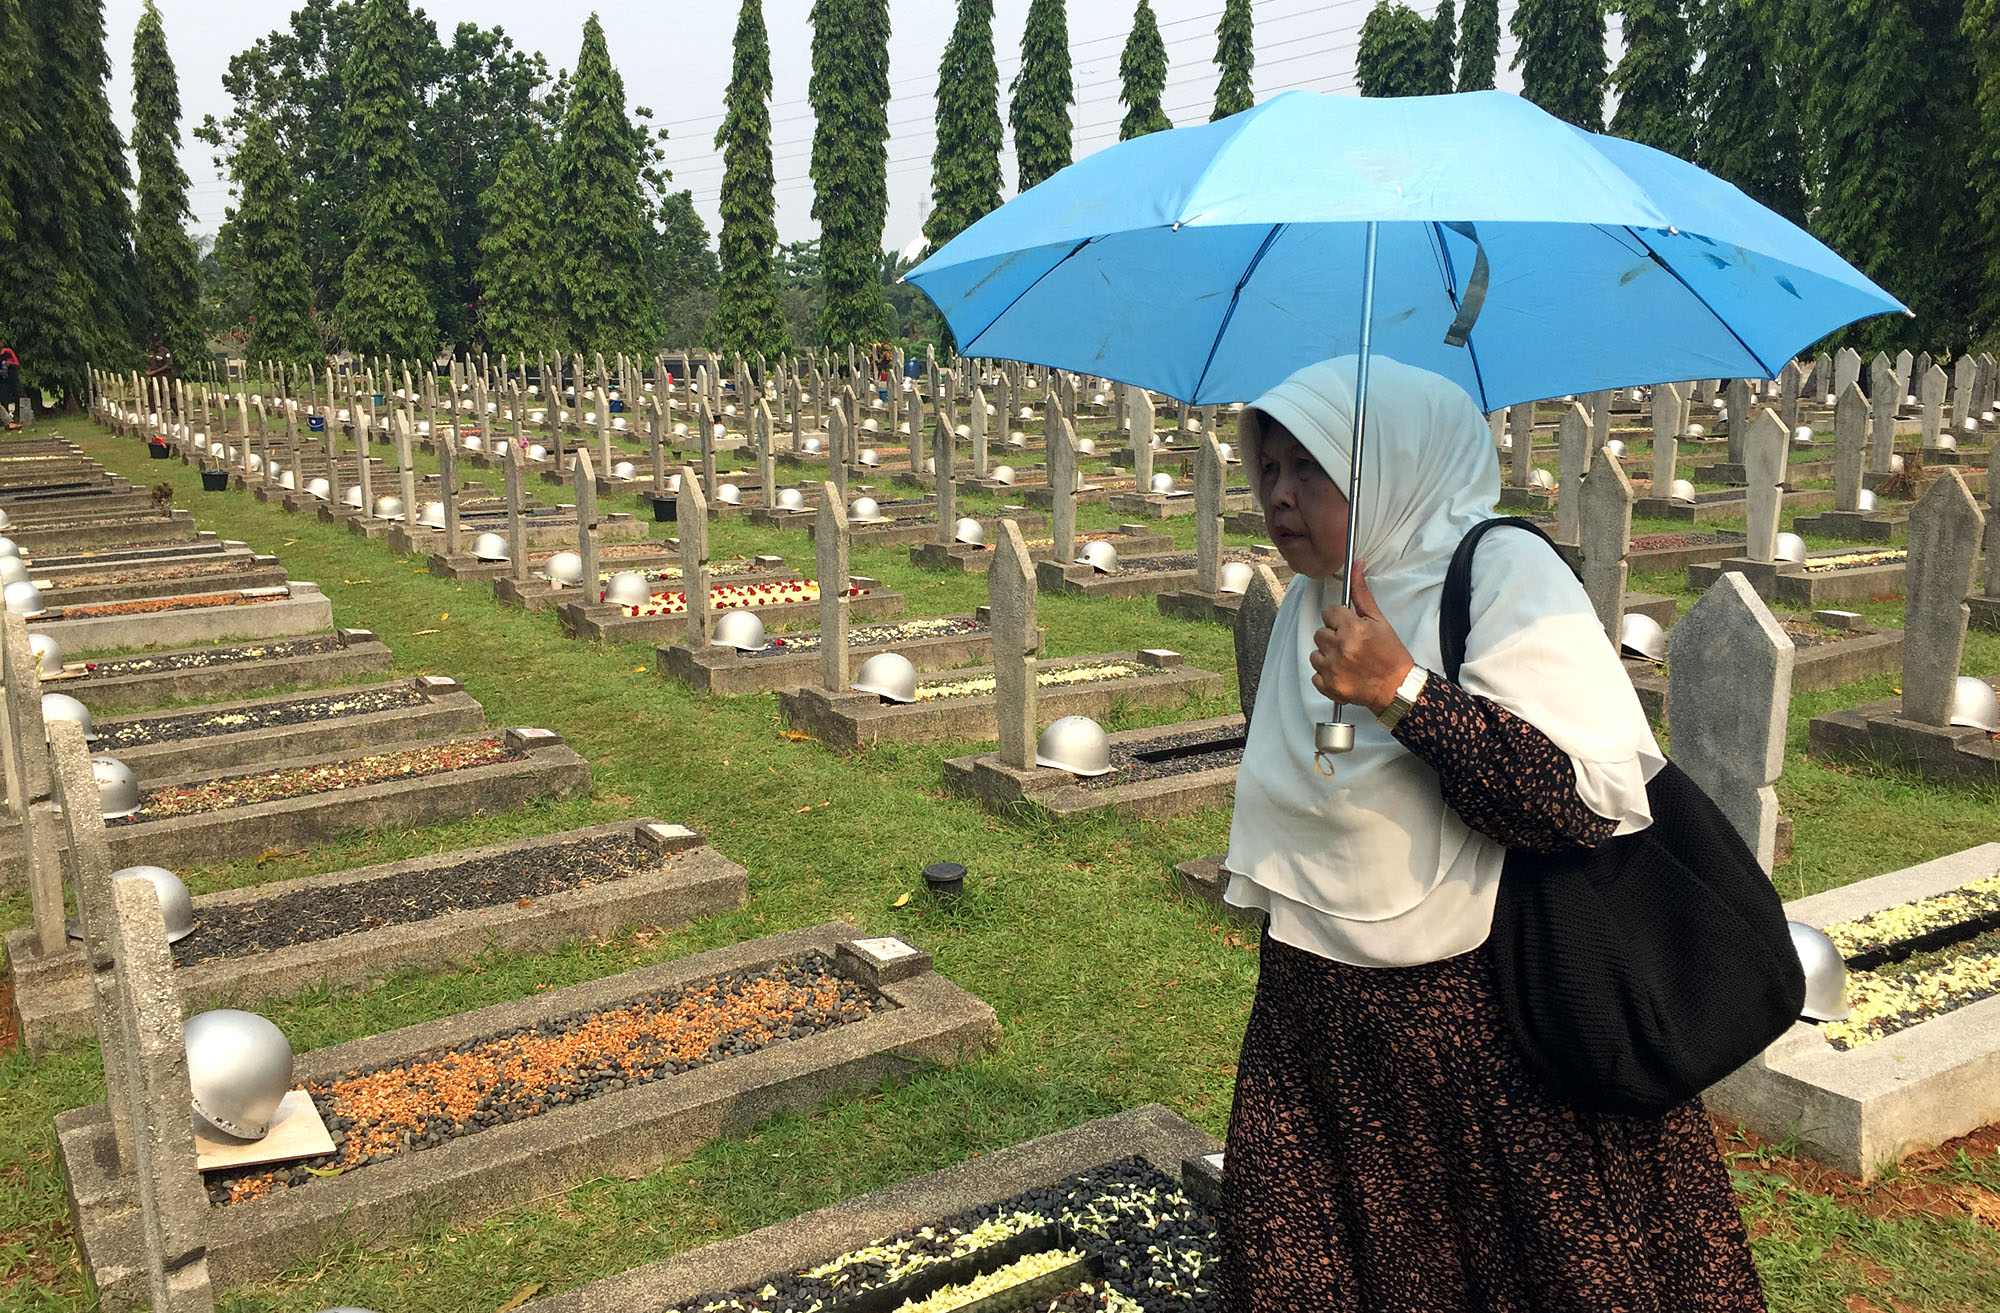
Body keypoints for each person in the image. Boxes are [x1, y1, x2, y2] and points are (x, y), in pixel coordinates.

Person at [1216, 355, 1766, 1312]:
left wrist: (1401, 690)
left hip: (1487, 1046)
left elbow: (1580, 801)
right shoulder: (1315, 600)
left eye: (1310, 466)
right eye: (1266, 467)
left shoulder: (1501, 572)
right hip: (1317, 1037)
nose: (1279, 493)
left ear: (1391, 461)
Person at [0, 339, 19, 429]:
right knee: (3, 402)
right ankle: (8, 423)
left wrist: (9, 363)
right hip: (2, 382)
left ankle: (9, 423)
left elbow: (16, 363)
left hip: (11, 379)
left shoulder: (8, 351)